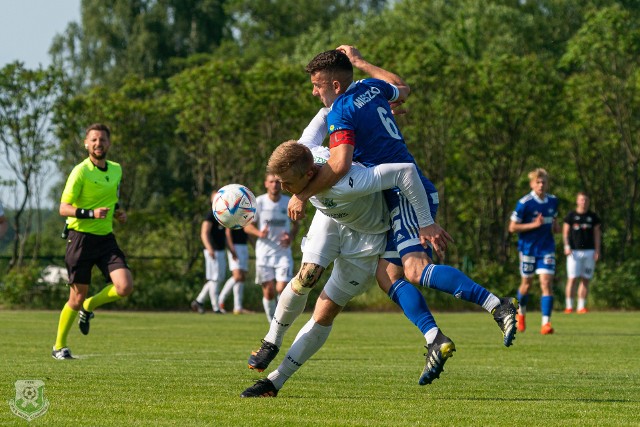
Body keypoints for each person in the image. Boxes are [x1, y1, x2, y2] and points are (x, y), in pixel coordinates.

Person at [287, 47, 517, 346]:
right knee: (388, 276)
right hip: (400, 189)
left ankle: (498, 305)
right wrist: (362, 62)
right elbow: (402, 89)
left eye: (317, 85)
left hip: (405, 191)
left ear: (334, 85)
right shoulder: (370, 87)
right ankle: (435, 339)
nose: (315, 93)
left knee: (416, 270)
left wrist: (303, 194)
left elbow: (340, 165)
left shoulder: (341, 110)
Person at [241, 140, 443, 397]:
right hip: (330, 220)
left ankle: (275, 381)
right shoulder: (309, 153)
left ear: (310, 174)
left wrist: (425, 222)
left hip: (367, 239)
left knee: (324, 312)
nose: (283, 189)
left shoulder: (353, 180)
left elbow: (405, 172)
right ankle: (271, 341)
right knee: (306, 277)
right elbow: (325, 115)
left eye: (288, 183)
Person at [52, 123, 133, 360]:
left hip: (105, 239)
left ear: (109, 143)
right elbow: (63, 208)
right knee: (75, 299)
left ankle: (90, 306)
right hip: (80, 239)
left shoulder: (116, 169)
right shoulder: (80, 171)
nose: (99, 144)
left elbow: (111, 198)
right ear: (86, 143)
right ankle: (58, 346)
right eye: (94, 140)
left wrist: (118, 212)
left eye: (103, 140)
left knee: (125, 286)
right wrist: (90, 213)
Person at [509, 168, 560, 335]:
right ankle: (520, 312)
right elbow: (512, 227)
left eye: (544, 181)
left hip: (546, 248)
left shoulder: (553, 201)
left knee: (546, 283)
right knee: (527, 284)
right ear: (532, 184)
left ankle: (546, 323)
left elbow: (555, 223)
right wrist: (534, 225)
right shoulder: (524, 203)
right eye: (538, 182)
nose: (541, 185)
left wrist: (557, 227)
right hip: (528, 249)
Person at [244, 174, 299, 322]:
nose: (274, 185)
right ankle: (271, 322)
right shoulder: (259, 202)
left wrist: (291, 237)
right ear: (266, 184)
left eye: (277, 182)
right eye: (271, 182)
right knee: (268, 292)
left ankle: (280, 322)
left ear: (281, 184)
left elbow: (296, 224)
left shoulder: (288, 202)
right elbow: (247, 227)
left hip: (283, 252)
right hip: (264, 253)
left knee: (282, 289)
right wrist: (259, 233)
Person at [191, 190, 229, 314]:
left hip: (221, 250)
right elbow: (204, 233)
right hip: (213, 251)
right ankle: (216, 307)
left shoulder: (223, 215)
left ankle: (199, 301)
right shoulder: (210, 215)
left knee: (217, 279)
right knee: (214, 279)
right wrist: (209, 248)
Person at [563, 192, 601, 314]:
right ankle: (569, 306)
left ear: (588, 202)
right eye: (581, 200)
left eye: (585, 200)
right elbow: (565, 233)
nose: (583, 202)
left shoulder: (593, 217)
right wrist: (567, 246)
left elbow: (597, 234)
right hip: (574, 252)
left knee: (585, 279)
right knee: (572, 278)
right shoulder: (571, 216)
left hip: (589, 251)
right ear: (577, 201)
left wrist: (597, 250)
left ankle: (581, 307)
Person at [218, 227, 252, 314]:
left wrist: (254, 245)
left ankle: (238, 307)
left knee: (242, 277)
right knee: (237, 276)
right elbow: (227, 232)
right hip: (235, 246)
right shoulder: (232, 215)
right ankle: (220, 300)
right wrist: (231, 248)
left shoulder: (244, 215)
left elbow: (247, 232)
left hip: (244, 246)